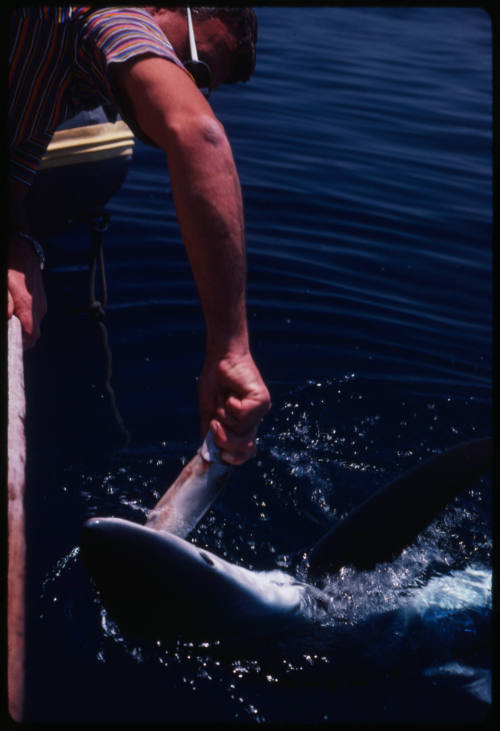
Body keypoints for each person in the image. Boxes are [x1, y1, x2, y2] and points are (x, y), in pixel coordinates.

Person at [8, 6, 270, 465]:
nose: (182, 82)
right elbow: (199, 134)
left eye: (200, 83)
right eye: (194, 66)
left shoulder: (58, 77)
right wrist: (231, 350)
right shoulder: (110, 15)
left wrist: (18, 242)